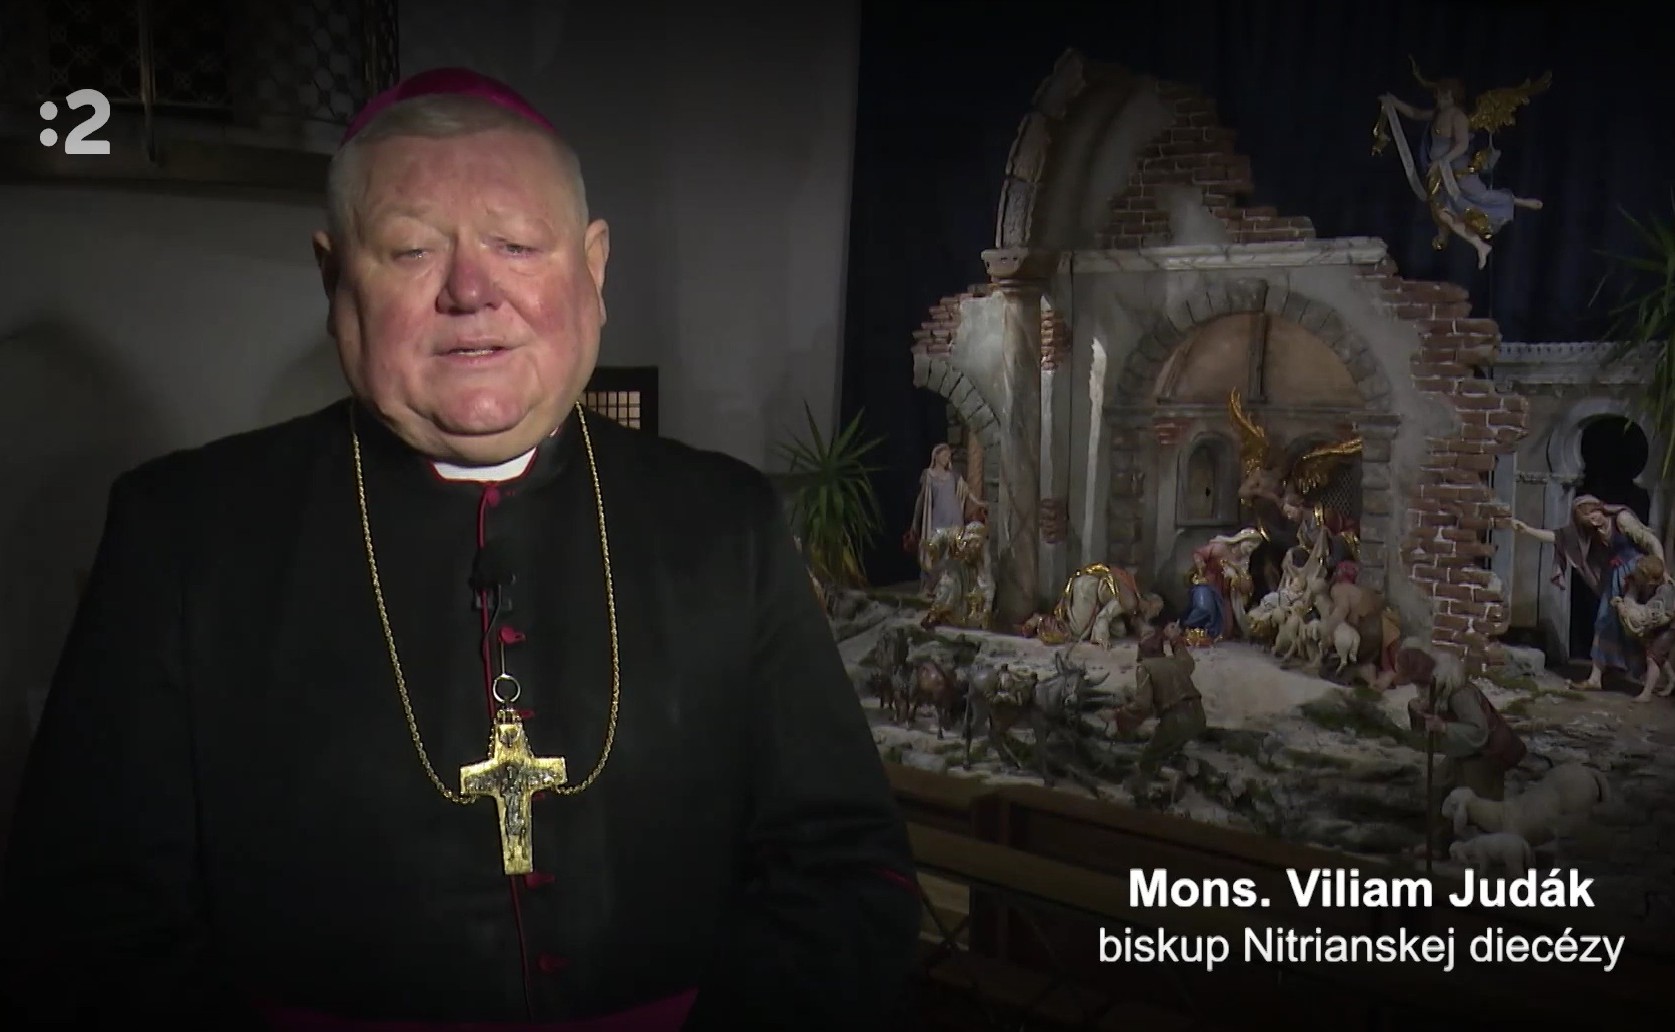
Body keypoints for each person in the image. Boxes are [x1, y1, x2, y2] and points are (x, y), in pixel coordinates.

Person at [0, 69, 920, 1030]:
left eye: (516, 245)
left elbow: (850, 870)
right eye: (410, 250)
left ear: (594, 268)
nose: (471, 292)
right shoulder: (185, 534)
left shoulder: (725, 522)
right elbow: (83, 928)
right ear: (334, 279)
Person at [1511, 494, 1665, 690]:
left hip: (1638, 575)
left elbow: (1651, 542)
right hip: (1616, 578)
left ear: (1600, 509)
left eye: (1593, 515)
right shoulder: (1590, 532)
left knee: (1644, 626)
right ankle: (1595, 678)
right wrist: (1527, 530)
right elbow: (1558, 537)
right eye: (1588, 520)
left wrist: (1661, 570)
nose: (1593, 522)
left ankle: (1655, 679)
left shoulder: (1621, 519)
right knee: (1604, 622)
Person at [1396, 643, 1525, 859]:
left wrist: (1444, 727)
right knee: (1439, 787)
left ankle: (1489, 851)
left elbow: (1478, 730)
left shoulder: (1460, 695)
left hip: (1485, 753)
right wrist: (1417, 709)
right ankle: (1437, 845)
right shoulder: (1436, 690)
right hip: (1460, 750)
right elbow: (1426, 722)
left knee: (1481, 803)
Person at [1109, 622, 1207, 799]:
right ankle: (1175, 774)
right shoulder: (1175, 662)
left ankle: (1148, 792)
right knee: (1169, 748)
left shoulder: (1145, 667)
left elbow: (1142, 704)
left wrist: (1117, 714)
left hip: (1176, 719)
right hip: (1199, 716)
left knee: (1148, 758)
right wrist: (1175, 640)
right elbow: (1188, 661)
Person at [906, 442, 984, 593]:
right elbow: (921, 500)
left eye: (948, 456)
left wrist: (979, 503)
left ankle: (952, 590)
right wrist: (914, 523)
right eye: (944, 455)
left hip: (954, 519)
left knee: (954, 555)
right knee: (935, 553)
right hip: (938, 520)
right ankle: (931, 587)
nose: (947, 458)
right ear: (936, 456)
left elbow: (967, 491)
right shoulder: (929, 476)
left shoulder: (953, 475)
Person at [1614, 554, 1675, 704]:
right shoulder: (1644, 585)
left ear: (1649, 579)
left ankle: (1646, 693)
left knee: (1653, 657)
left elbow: (1649, 613)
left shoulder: (1665, 591)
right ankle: (1672, 679)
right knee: (1657, 654)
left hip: (1669, 626)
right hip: (1658, 624)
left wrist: (1627, 609)